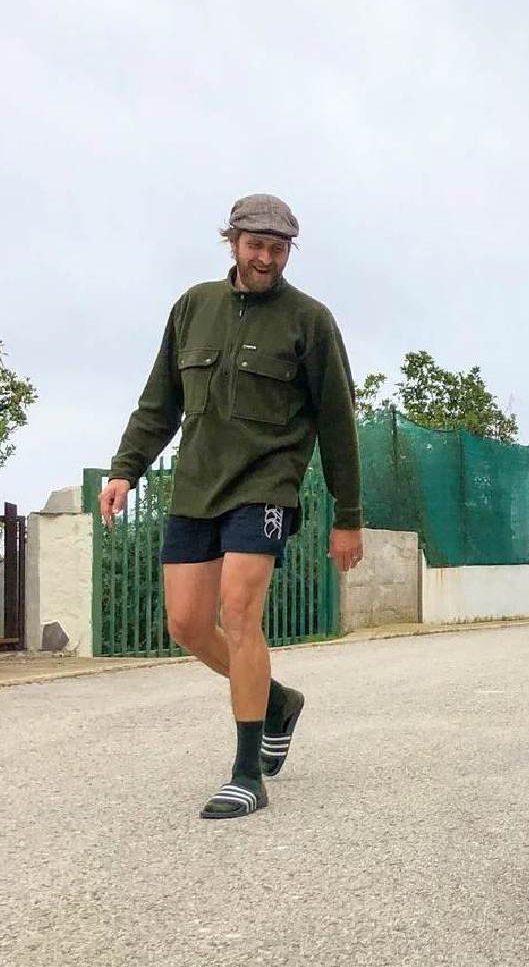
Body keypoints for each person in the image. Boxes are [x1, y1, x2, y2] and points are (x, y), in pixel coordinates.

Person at [99, 193, 363, 820]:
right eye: (255, 244)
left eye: (278, 247)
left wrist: (347, 516)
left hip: (265, 485)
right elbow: (159, 400)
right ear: (234, 242)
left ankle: (248, 772)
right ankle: (274, 701)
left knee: (240, 614)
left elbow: (338, 422)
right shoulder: (193, 307)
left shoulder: (310, 320)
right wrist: (124, 469)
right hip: (194, 487)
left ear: (288, 251)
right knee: (187, 624)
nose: (266, 256)